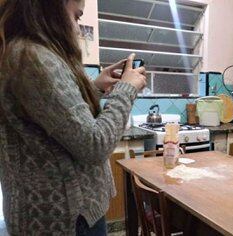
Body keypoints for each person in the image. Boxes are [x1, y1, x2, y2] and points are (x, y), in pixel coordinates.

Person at [0, 0, 147, 235]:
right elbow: (95, 143)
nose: (78, 29)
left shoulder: (26, 52)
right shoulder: (32, 58)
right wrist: (126, 90)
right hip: (67, 220)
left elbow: (55, 112)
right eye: (77, 17)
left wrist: (94, 87)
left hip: (63, 215)